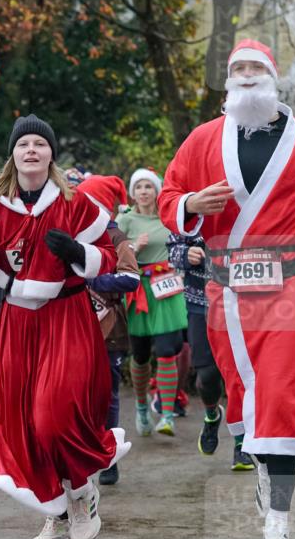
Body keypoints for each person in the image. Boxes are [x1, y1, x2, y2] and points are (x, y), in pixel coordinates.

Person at [159, 38, 295, 539]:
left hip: (291, 286)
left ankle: (280, 524)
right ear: (228, 80)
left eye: (256, 68)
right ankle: (266, 475)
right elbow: (169, 197)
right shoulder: (201, 141)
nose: (247, 75)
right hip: (228, 293)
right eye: (238, 68)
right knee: (245, 394)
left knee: (283, 391)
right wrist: (190, 206)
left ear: (272, 77)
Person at [0, 113, 130, 539]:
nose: (31, 150)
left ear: (51, 154)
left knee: (54, 417)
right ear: (12, 155)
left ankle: (82, 495)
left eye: (39, 143)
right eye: (23, 144)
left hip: (66, 316)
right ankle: (53, 512)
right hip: (17, 323)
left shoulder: (76, 203)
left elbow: (111, 258)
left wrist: (78, 252)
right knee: (24, 426)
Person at [167, 231, 255, 470]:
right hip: (200, 304)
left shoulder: (244, 204)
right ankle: (212, 415)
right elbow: (171, 251)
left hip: (240, 302)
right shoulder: (193, 207)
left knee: (239, 375)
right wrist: (186, 254)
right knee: (207, 377)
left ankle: (242, 444)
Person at [78, 174, 140, 486]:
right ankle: (81, 453)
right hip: (74, 328)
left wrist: (92, 280)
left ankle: (109, 455)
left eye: (86, 202)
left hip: (109, 328)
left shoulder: (117, 238)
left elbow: (132, 279)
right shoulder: (73, 236)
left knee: (107, 395)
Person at [116, 169, 188, 437]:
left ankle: (167, 414)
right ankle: (143, 406)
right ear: (132, 193)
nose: (144, 191)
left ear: (158, 191)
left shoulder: (168, 217)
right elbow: (112, 254)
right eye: (139, 187)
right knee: (141, 355)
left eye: (149, 186)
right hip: (138, 289)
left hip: (166, 286)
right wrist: (133, 247)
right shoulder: (124, 220)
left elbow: (185, 241)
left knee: (168, 351)